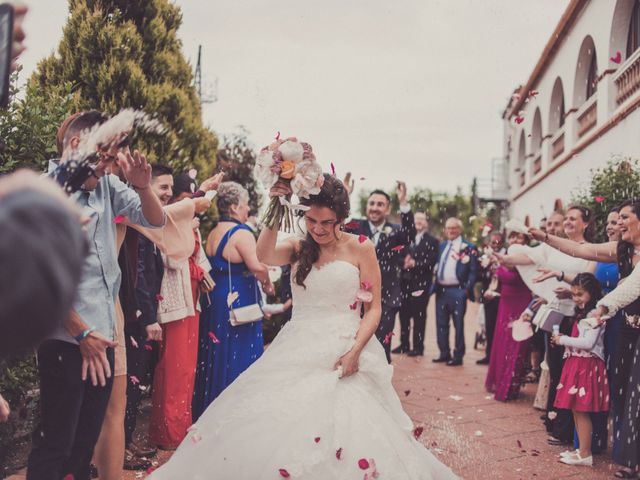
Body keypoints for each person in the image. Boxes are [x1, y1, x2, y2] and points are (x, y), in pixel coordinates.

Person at [150, 173, 458, 479]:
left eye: (327, 223)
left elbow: (373, 308)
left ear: (342, 218)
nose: (318, 229)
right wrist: (276, 202)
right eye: (311, 221)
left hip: (345, 344)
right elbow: (263, 254)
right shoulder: (298, 247)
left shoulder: (361, 247)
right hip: (297, 343)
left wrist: (355, 351)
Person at [27, 111, 165, 480]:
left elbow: (154, 220)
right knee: (56, 439)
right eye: (104, 157)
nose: (107, 167)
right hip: (65, 339)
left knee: (84, 442)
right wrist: (81, 334)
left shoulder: (107, 186)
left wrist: (143, 186)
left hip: (103, 337)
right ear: (76, 145)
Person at [497, 206, 596, 445]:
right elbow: (528, 257)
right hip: (554, 318)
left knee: (570, 373)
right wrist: (506, 259)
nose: (569, 222)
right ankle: (553, 417)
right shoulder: (555, 245)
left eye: (574, 219)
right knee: (554, 368)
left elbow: (589, 281)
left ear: (586, 224)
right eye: (568, 219)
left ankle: (565, 427)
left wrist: (563, 279)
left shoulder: (590, 250)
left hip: (575, 320)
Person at [192, 181, 274, 421]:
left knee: (216, 354)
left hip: (215, 300)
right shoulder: (242, 233)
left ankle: (210, 412)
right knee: (239, 355)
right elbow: (256, 266)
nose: (248, 210)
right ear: (236, 207)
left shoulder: (213, 232)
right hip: (238, 303)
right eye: (246, 205)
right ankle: (236, 416)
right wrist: (268, 281)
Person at [148, 165, 213, 450]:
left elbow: (198, 258)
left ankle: (181, 427)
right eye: (184, 197)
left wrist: (202, 272)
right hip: (174, 304)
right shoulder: (163, 223)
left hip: (192, 303)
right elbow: (168, 259)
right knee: (172, 369)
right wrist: (197, 271)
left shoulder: (189, 225)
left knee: (187, 370)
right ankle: (168, 434)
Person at [345, 182, 416, 363]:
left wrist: (404, 202)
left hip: (386, 296)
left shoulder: (396, 231)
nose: (375, 208)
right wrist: (345, 195)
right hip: (355, 297)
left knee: (381, 344)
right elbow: (337, 225)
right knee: (353, 342)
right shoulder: (354, 226)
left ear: (387, 208)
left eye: (380, 204)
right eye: (372, 203)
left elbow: (410, 234)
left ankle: (380, 381)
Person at [552, 273, 607, 467]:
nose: (576, 298)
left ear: (591, 293)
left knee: (582, 409)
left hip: (587, 365)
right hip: (578, 363)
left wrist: (563, 340)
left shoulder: (595, 315)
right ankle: (581, 450)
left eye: (580, 294)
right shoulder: (582, 312)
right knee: (576, 408)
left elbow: (589, 343)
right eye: (574, 293)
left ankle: (585, 453)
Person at [484, 231, 532, 401]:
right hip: (505, 302)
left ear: (525, 240)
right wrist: (492, 289)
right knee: (501, 342)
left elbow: (512, 267)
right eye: (511, 237)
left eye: (518, 237)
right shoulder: (506, 256)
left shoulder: (526, 256)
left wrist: (498, 259)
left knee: (515, 343)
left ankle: (509, 386)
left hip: (520, 302)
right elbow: (498, 278)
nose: (514, 240)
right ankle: (499, 381)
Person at [432, 217, 478, 366]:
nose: (450, 231)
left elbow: (473, 271)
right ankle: (444, 353)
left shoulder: (469, 247)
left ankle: (458, 356)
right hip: (441, 290)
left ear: (460, 230)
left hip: (458, 291)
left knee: (458, 325)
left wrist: (466, 290)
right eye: (448, 228)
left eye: (454, 228)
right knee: (441, 323)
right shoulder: (442, 245)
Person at [393, 210, 439, 356]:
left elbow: (431, 262)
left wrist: (415, 263)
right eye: (416, 219)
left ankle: (418, 347)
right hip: (404, 284)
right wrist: (403, 264)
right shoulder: (405, 238)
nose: (418, 222)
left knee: (419, 316)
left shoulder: (433, 241)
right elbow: (397, 257)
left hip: (421, 285)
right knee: (404, 316)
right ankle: (404, 344)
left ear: (426, 223)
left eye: (422, 219)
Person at [477, 233, 505, 365]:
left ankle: (499, 357)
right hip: (488, 298)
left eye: (498, 243)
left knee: (501, 328)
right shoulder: (485, 257)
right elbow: (480, 276)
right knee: (489, 328)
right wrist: (486, 266)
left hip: (502, 297)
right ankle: (489, 355)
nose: (496, 245)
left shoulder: (506, 257)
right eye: (493, 243)